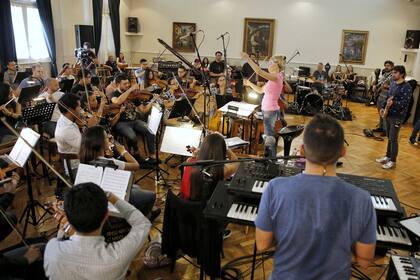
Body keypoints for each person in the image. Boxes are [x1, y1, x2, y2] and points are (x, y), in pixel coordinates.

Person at [255, 114, 376, 279]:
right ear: (343, 152)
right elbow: (365, 260)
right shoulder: (362, 199)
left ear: (302, 151)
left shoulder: (275, 188)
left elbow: (262, 244)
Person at [43, 182, 151, 280]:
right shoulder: (118, 256)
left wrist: (64, 222)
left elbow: (63, 237)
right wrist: (111, 197)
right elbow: (142, 223)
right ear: (106, 215)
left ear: (68, 216)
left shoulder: (52, 250)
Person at [79, 126, 160, 219]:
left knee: (136, 187)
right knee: (151, 196)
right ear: (100, 143)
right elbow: (136, 165)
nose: (108, 137)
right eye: (106, 137)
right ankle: (143, 217)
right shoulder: (111, 162)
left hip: (98, 194)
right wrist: (123, 151)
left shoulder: (85, 159)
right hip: (112, 198)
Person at [241, 53, 286, 157]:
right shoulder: (272, 79)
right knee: (268, 137)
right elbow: (261, 90)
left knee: (269, 138)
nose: (269, 65)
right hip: (267, 111)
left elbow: (259, 71)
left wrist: (248, 58)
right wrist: (250, 84)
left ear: (276, 65)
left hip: (270, 112)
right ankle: (269, 160)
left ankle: (270, 162)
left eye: (270, 63)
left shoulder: (277, 76)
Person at [111, 74, 156, 164]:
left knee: (151, 131)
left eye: (128, 83)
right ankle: (136, 155)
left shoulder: (133, 95)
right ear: (118, 84)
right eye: (125, 84)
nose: (127, 85)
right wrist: (130, 89)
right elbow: (118, 101)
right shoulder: (114, 94)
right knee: (132, 137)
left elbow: (143, 110)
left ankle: (152, 156)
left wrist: (153, 100)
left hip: (135, 121)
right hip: (121, 123)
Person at [181, 133, 239, 201]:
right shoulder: (222, 170)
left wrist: (195, 155)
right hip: (207, 207)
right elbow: (236, 163)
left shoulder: (189, 162)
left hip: (187, 205)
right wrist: (226, 147)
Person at [376, 65, 412, 169]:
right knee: (389, 137)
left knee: (394, 139)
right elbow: (388, 97)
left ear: (402, 74)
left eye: (395, 73)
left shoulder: (407, 87)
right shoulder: (393, 83)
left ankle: (393, 161)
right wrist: (383, 107)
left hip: (397, 116)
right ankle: (387, 156)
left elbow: (405, 103)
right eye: (393, 73)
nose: (393, 74)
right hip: (388, 113)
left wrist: (393, 103)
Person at [55, 93, 82, 170]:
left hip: (79, 157)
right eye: (79, 106)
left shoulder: (63, 118)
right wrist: (91, 128)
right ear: (70, 110)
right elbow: (85, 147)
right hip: (76, 166)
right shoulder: (67, 129)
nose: (81, 109)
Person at [373, 60, 394, 133]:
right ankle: (381, 127)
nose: (386, 67)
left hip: (387, 96)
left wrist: (387, 86)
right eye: (385, 65)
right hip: (380, 95)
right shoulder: (385, 74)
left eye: (388, 66)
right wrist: (375, 85)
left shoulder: (393, 76)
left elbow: (394, 87)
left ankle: (385, 130)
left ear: (392, 66)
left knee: (385, 113)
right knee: (380, 112)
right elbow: (380, 83)